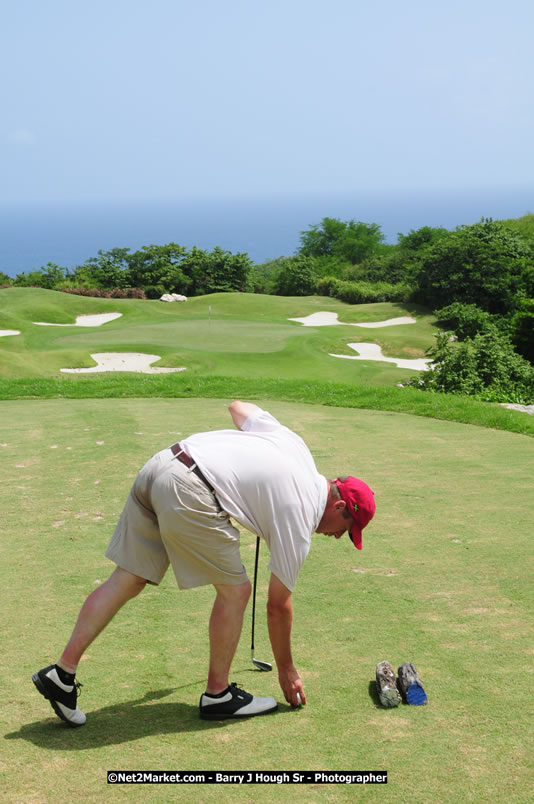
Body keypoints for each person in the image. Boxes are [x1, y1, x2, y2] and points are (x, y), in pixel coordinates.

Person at [32, 401, 375, 726]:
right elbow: (277, 607)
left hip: (161, 464)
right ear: (341, 506)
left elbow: (238, 408)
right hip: (190, 489)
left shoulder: (295, 445)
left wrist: (252, 466)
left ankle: (61, 674)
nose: (337, 537)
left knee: (128, 578)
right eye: (347, 530)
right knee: (236, 592)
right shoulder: (300, 517)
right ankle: (218, 695)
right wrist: (287, 669)